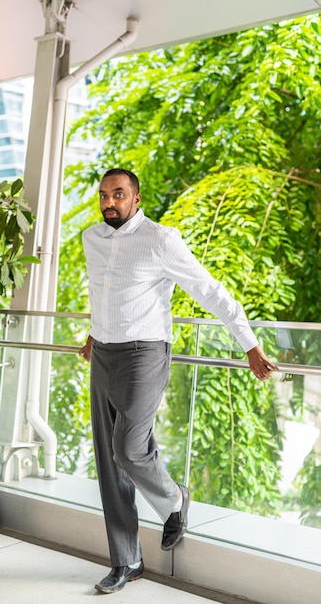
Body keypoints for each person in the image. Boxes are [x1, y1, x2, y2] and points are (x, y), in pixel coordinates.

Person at [79, 168, 277, 594]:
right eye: (103, 196)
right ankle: (126, 561)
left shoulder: (160, 239)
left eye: (118, 194)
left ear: (136, 197)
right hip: (104, 355)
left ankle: (173, 500)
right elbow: (104, 291)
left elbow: (208, 290)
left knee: (128, 447)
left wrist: (249, 343)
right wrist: (93, 334)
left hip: (145, 353)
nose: (109, 202)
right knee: (108, 463)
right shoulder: (91, 238)